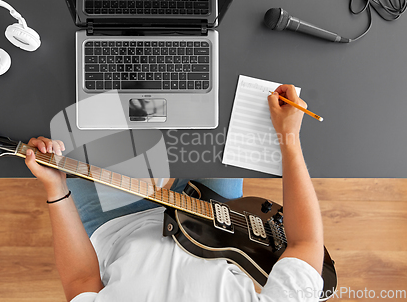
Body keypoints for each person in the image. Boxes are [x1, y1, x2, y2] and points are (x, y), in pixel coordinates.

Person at [24, 84, 325, 302]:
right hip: (214, 219)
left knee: (84, 105)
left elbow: (82, 280)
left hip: (118, 222)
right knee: (226, 103)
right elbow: (306, 243)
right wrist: (289, 138)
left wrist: (57, 188)